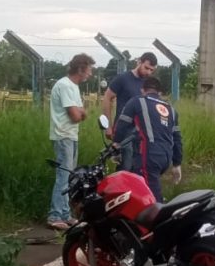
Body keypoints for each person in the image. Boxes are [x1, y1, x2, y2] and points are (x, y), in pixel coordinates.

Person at [114, 76, 182, 202]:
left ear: (142, 90)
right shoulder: (171, 110)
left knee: (151, 195)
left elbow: (122, 126)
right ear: (159, 92)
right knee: (140, 189)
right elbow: (177, 138)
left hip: (149, 156)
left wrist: (116, 145)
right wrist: (177, 163)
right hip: (166, 157)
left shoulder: (136, 101)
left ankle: (160, 216)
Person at [48, 54, 95, 231]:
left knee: (69, 176)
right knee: (63, 177)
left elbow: (81, 112)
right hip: (63, 136)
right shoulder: (66, 86)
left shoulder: (73, 87)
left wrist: (81, 112)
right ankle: (54, 215)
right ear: (81, 69)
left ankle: (65, 214)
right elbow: (76, 115)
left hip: (70, 135)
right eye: (89, 70)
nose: (90, 74)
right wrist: (81, 112)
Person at [103, 53, 159, 166]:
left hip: (142, 132)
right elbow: (107, 98)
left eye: (151, 70)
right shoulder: (123, 79)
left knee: (139, 167)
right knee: (125, 167)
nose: (148, 72)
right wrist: (108, 126)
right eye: (146, 68)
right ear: (139, 62)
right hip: (123, 131)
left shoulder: (149, 83)